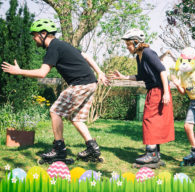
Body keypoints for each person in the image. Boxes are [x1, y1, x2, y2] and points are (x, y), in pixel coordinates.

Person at [1, 19, 109, 162]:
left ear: (43, 34)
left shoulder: (53, 47)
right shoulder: (62, 44)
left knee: (55, 111)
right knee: (75, 118)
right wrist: (99, 72)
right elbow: (86, 56)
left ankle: (59, 150)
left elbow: (42, 73)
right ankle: (92, 149)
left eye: (34, 35)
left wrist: (19, 71)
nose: (33, 38)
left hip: (80, 84)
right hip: (90, 83)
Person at [109, 28, 175, 166]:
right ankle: (155, 154)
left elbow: (162, 71)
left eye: (129, 45)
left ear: (136, 42)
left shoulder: (148, 53)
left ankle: (150, 154)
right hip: (153, 90)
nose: (127, 47)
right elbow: (140, 77)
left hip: (159, 90)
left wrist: (166, 92)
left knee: (149, 120)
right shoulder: (139, 57)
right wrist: (123, 77)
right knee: (153, 121)